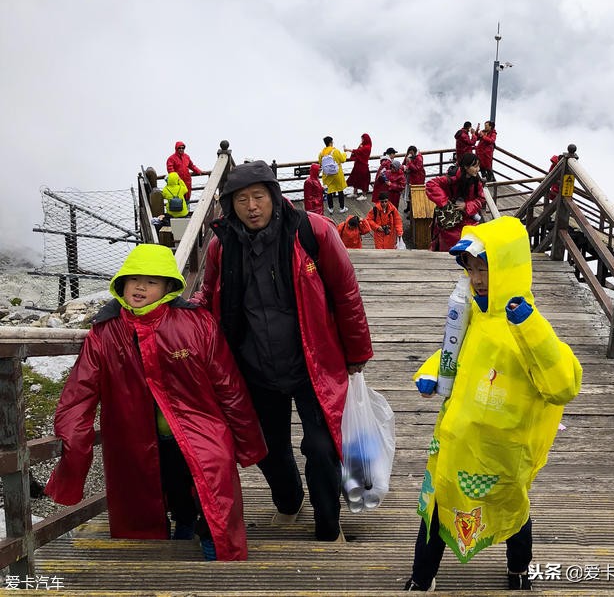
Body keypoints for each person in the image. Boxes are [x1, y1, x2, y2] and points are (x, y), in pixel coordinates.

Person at [44, 244, 267, 562]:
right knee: (165, 486)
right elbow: (80, 391)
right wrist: (74, 442)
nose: (140, 287)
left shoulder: (196, 323)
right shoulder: (105, 332)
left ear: (168, 287)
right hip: (137, 434)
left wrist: (247, 439)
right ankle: (181, 527)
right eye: (133, 280)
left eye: (151, 281)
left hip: (199, 427)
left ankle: (214, 544)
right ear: (121, 283)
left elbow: (227, 384)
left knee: (210, 486)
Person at [192, 160, 373, 543]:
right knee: (267, 446)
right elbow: (207, 295)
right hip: (254, 364)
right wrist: (173, 316)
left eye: (258, 196)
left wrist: (357, 352)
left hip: (313, 362)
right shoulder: (222, 245)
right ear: (230, 204)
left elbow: (346, 293)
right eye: (241, 199)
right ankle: (289, 502)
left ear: (274, 196)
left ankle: (329, 527)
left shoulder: (312, 231)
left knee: (321, 448)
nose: (252, 206)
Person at [404, 217, 582, 591]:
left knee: (511, 511)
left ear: (509, 267)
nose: (477, 279)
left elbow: (563, 385)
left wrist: (529, 326)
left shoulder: (528, 327)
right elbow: (456, 354)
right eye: (471, 269)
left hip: (501, 451)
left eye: (484, 269)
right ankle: (422, 577)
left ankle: (519, 569)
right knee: (438, 506)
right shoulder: (474, 313)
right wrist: (432, 371)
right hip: (456, 440)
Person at [425, 153, 485, 252]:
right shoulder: (452, 178)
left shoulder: (476, 182)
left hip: (466, 219)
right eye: (475, 166)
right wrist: (445, 203)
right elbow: (430, 184)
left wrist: (466, 206)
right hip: (450, 221)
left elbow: (481, 199)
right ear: (466, 167)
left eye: (478, 166)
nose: (478, 169)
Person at [318, 136, 348, 214]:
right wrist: (345, 154)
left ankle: (330, 208)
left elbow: (320, 163)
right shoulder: (335, 151)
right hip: (337, 173)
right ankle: (342, 208)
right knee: (340, 190)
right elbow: (342, 159)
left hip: (327, 175)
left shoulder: (321, 153)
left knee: (329, 191)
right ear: (331, 142)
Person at [345, 133, 373, 200]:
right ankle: (355, 193)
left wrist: (348, 150)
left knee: (363, 180)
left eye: (363, 139)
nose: (362, 140)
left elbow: (358, 151)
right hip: (357, 164)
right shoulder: (362, 145)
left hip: (363, 165)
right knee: (355, 178)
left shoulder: (367, 147)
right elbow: (358, 151)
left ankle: (364, 195)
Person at [402, 146, 426, 213]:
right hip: (408, 177)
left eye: (411, 152)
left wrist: (410, 163)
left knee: (415, 195)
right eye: (409, 152)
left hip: (417, 178)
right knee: (407, 192)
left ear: (414, 152)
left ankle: (414, 211)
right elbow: (403, 163)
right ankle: (409, 207)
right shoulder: (408, 156)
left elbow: (417, 169)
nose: (410, 154)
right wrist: (404, 167)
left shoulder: (419, 158)